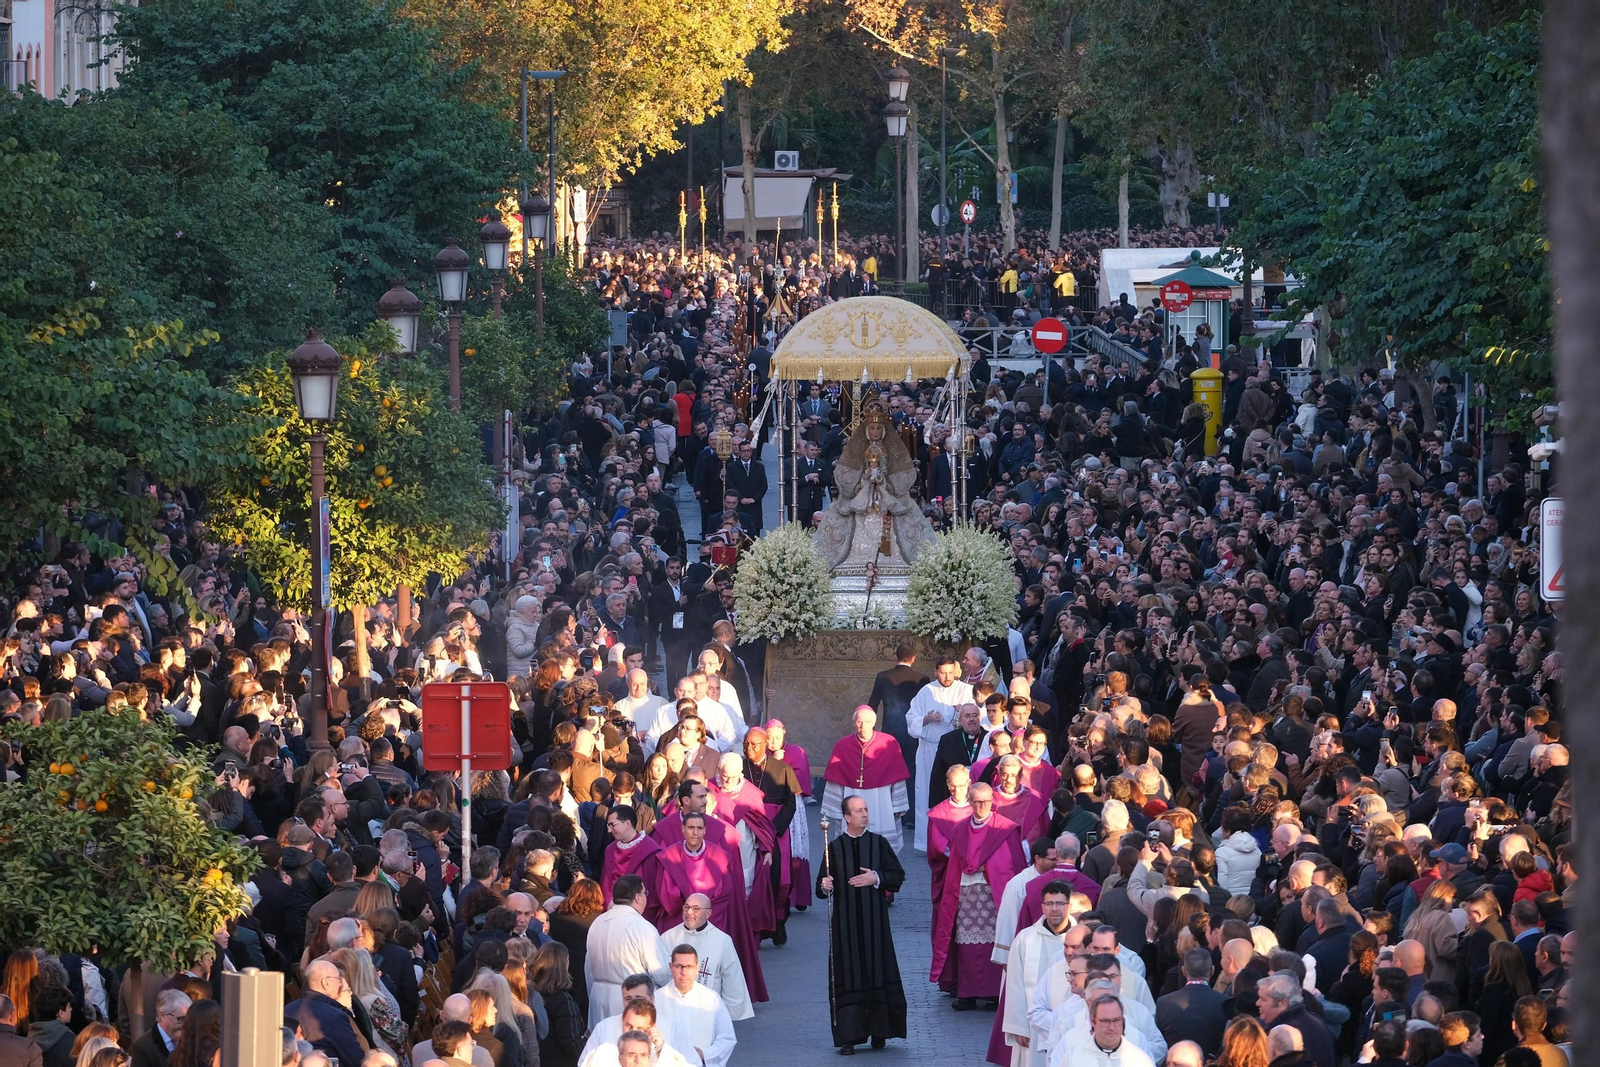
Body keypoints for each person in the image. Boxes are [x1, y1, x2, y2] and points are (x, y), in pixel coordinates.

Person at [817, 795, 907, 1056]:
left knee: (877, 969)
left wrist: (876, 877)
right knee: (849, 973)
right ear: (847, 817)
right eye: (858, 811)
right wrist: (825, 885)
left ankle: (880, 1030)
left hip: (875, 925)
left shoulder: (878, 844)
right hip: (846, 926)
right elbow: (821, 888)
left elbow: (897, 876)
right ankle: (849, 1036)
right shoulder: (833, 847)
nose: (865, 814)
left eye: (866, 810)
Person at [652, 817, 766, 1008]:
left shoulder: (718, 856)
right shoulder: (670, 856)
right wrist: (689, 908)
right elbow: (665, 890)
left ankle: (716, 1006)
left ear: (705, 830)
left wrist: (703, 910)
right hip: (680, 922)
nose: (694, 833)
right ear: (683, 829)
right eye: (690, 828)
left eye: (699, 828)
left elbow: (726, 891)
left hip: (711, 920)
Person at [932, 783, 1025, 1009]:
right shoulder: (960, 829)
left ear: (992, 802)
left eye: (986, 801)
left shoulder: (1006, 828)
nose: (982, 806)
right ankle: (967, 992)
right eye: (977, 801)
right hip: (966, 892)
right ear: (970, 803)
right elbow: (953, 862)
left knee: (994, 940)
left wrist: (988, 868)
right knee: (965, 941)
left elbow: (1013, 864)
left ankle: (994, 992)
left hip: (993, 893)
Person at [999, 879, 1075, 1067]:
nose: (1055, 909)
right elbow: (1014, 984)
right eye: (1049, 903)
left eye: (1060, 903)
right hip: (1034, 1027)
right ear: (1042, 907)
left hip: (1072, 1024)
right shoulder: (1026, 938)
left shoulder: (1081, 937)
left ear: (1069, 906)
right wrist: (1018, 1026)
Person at [906, 658, 975, 853]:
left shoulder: (966, 690)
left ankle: (960, 838)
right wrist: (926, 719)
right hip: (929, 748)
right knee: (928, 791)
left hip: (956, 748)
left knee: (957, 790)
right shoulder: (926, 691)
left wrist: (961, 714)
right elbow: (910, 718)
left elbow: (976, 717)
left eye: (950, 672)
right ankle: (928, 841)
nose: (946, 677)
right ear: (936, 671)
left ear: (956, 671)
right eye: (942, 672)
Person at [819, 707, 910, 854]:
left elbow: (897, 777)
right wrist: (836, 810)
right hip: (851, 795)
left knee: (882, 847)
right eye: (859, 722)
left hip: (882, 800)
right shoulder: (842, 745)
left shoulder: (889, 743)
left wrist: (897, 806)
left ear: (874, 722)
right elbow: (836, 780)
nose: (863, 726)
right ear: (854, 723)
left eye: (867, 722)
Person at [585, 875, 672, 1027]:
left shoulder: (597, 922)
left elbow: (588, 967)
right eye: (645, 893)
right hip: (630, 999)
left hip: (597, 996)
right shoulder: (641, 926)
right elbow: (661, 972)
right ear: (638, 897)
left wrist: (592, 993)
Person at [656, 894, 753, 1022]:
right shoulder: (668, 937)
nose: (689, 912)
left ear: (708, 913)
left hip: (708, 1012)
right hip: (674, 1009)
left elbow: (732, 978)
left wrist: (726, 1015)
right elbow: (658, 972)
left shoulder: (722, 940)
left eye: (696, 909)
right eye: (686, 907)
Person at [654, 946, 735, 1067]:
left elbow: (727, 1038)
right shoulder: (656, 999)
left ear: (698, 968)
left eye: (690, 967)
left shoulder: (712, 999)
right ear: (671, 967)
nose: (684, 972)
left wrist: (704, 1054)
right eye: (678, 966)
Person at [286, 960, 371, 1067]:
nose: (340, 983)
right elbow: (357, 1060)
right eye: (338, 978)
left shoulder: (286, 1011)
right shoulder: (335, 1016)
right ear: (326, 982)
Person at [1154, 948, 1229, 1059]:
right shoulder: (1226, 1003)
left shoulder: (1164, 1003)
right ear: (1212, 970)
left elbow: (1159, 1043)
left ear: (1184, 971)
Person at [1047, 995, 1154, 1067]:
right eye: (1105, 1021)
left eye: (1117, 1020)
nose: (1112, 1027)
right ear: (1092, 1021)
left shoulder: (1139, 1059)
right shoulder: (1073, 1057)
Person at [132, 991, 189, 1067]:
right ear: (162, 1015)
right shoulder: (142, 1047)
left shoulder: (190, 1039)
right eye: (181, 1019)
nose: (186, 1024)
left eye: (189, 1019)